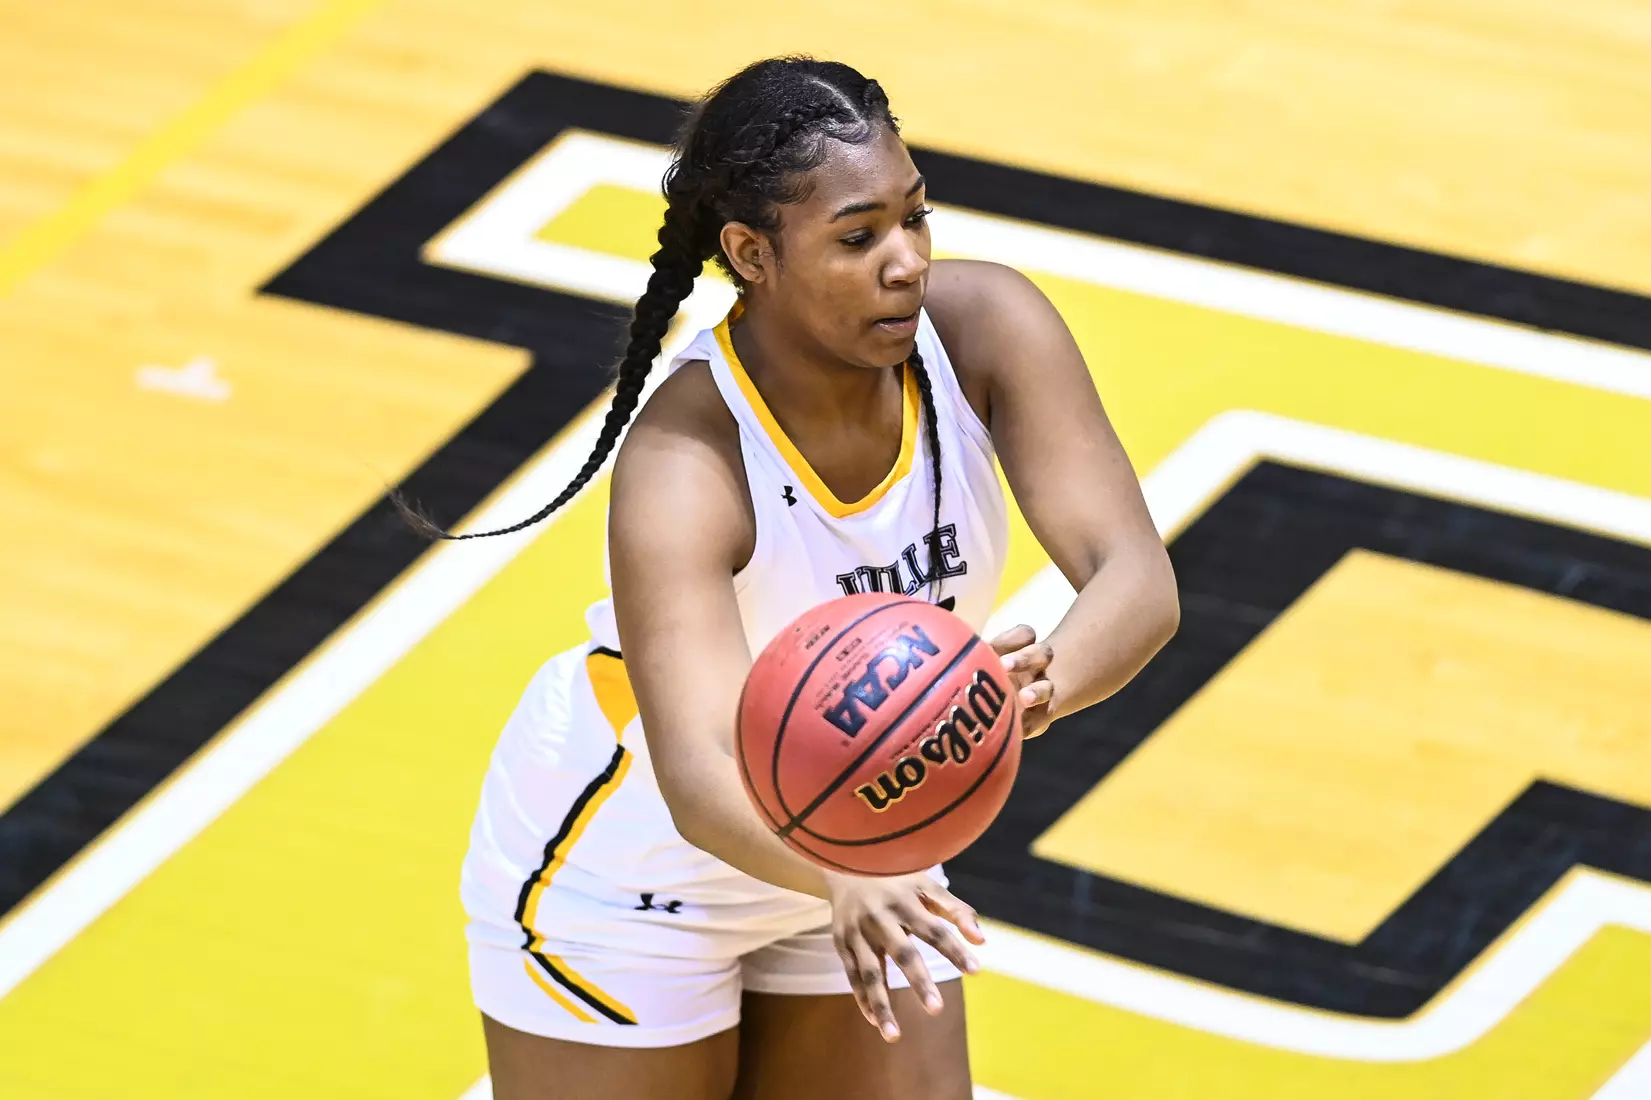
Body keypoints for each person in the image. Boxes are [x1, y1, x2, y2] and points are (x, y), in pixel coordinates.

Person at [429, 56, 1179, 1100]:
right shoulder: (688, 456)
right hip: (637, 865)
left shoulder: (985, 329)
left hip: (866, 836)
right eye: (859, 235)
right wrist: (845, 872)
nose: (907, 260)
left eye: (917, 217)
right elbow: (696, 769)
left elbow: (1134, 576)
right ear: (752, 252)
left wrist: (1038, 682)